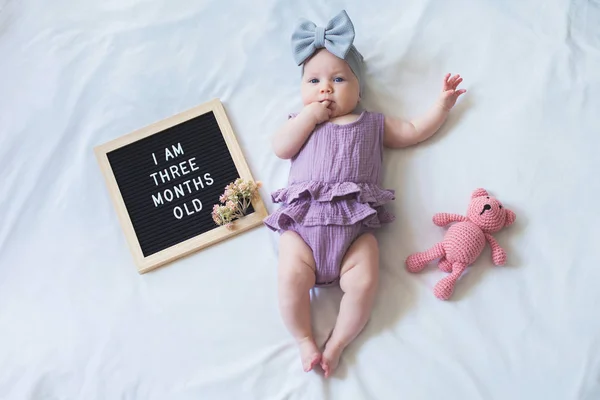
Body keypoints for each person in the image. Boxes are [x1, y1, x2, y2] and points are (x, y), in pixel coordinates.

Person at [263, 9, 466, 378]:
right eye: (314, 81)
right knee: (289, 277)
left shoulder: (373, 123)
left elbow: (414, 130)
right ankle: (304, 340)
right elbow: (280, 147)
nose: (325, 88)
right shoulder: (299, 123)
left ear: (358, 87)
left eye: (338, 78)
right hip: (303, 230)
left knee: (365, 280)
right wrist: (309, 118)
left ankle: (338, 343)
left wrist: (441, 106)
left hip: (354, 235)